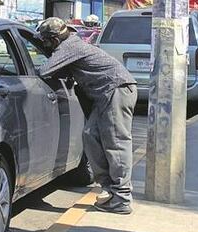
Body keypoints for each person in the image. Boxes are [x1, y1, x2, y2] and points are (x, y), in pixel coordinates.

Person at [36, 17, 138, 214]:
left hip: (116, 90)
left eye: (45, 42)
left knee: (117, 144)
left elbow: (44, 70)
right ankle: (110, 189)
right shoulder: (72, 44)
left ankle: (122, 197)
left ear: (54, 40)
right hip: (107, 94)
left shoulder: (68, 48)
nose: (45, 45)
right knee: (90, 135)